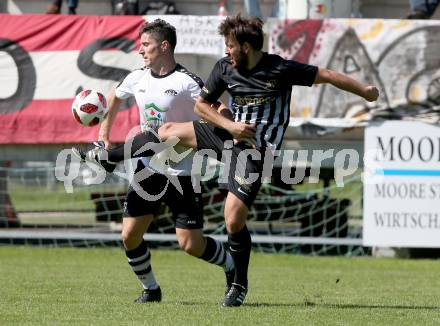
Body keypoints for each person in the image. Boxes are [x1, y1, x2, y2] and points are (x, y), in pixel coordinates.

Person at [75, 14, 379, 307]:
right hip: (227, 137)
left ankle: (238, 282)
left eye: (230, 46)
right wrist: (231, 126)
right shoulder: (224, 68)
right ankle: (108, 158)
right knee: (166, 130)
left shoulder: (279, 69)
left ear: (246, 47)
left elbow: (326, 75)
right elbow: (202, 106)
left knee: (231, 218)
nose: (226, 51)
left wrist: (364, 92)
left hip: (257, 150)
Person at [74, 19, 235, 304]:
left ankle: (232, 267)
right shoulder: (137, 78)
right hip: (148, 170)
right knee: (129, 236)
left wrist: (227, 122)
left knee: (190, 244)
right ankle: (151, 289)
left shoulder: (186, 81)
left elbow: (216, 105)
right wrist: (103, 135)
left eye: (146, 44)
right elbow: (114, 97)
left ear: (164, 46)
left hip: (183, 171)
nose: (140, 50)